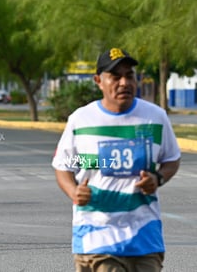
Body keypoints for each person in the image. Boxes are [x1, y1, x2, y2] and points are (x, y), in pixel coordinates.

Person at [51, 48, 181, 272]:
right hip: (97, 238)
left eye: (129, 75)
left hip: (145, 239)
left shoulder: (155, 117)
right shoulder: (80, 120)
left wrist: (157, 178)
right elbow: (63, 166)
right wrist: (74, 192)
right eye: (115, 76)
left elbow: (172, 159)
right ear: (98, 81)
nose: (124, 82)